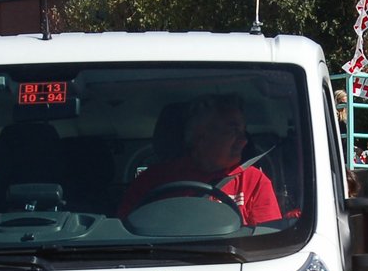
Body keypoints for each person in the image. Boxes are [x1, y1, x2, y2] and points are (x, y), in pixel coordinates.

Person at [118, 95, 281, 226]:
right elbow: (126, 235)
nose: (244, 140)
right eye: (233, 131)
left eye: (243, 131)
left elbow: (267, 241)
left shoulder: (254, 180)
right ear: (201, 137)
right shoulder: (151, 180)